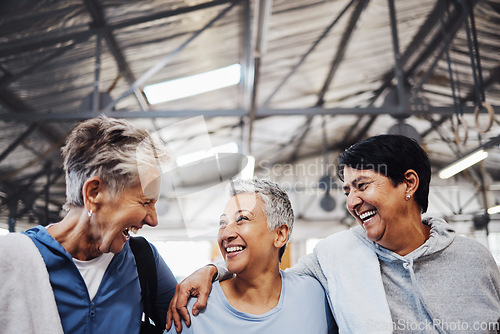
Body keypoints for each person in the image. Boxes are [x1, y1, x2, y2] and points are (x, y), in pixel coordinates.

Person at [167, 134, 500, 334]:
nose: (352, 202)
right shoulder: (336, 256)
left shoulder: (474, 260)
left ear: (408, 184)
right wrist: (212, 270)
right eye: (346, 191)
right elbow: (266, 274)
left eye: (362, 186)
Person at [23, 116, 177, 333]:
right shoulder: (21, 259)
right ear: (94, 192)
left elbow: (193, 321)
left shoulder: (143, 259)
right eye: (145, 202)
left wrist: (215, 271)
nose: (153, 219)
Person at [165, 178, 336, 333]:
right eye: (223, 223)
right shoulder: (193, 309)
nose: (226, 234)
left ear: (280, 235)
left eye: (242, 219)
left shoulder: (315, 295)